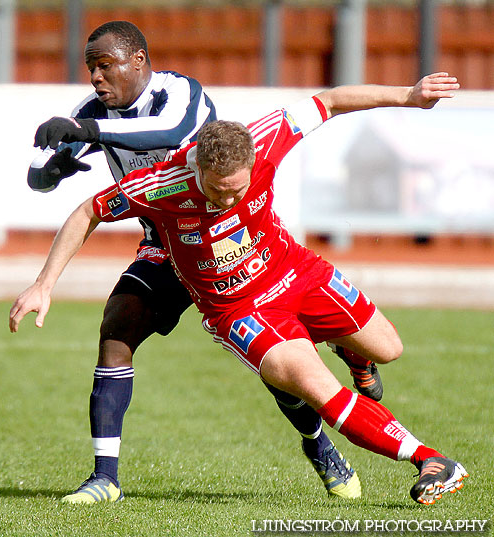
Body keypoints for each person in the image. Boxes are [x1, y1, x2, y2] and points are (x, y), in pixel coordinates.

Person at [11, 72, 468, 506]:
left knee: (389, 348)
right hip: (240, 312)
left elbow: (329, 101)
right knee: (317, 388)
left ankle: (353, 350)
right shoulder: (164, 183)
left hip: (295, 270)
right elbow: (87, 211)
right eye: (216, 191)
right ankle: (430, 460)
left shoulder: (266, 139)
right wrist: (43, 284)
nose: (227, 201)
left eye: (237, 190)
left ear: (253, 163)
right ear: (198, 169)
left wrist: (408, 95)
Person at [27, 20, 376, 503]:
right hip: (164, 247)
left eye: (105, 65)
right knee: (117, 328)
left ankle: (319, 442)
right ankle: (105, 477)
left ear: (139, 62)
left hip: (228, 244)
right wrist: (53, 170)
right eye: (91, 68)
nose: (96, 77)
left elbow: (165, 132)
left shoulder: (178, 93)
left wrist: (88, 131)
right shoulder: (92, 111)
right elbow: (38, 180)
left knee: (277, 363)